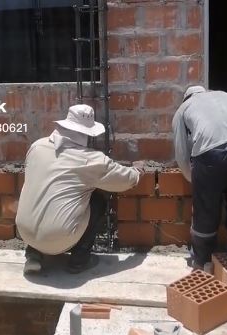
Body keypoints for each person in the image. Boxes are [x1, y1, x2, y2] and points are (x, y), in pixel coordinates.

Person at [16, 104, 139, 274]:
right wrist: (139, 172)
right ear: (87, 133)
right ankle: (79, 260)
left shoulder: (36, 147)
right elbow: (125, 181)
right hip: (58, 238)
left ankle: (33, 255)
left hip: (24, 231)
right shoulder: (90, 159)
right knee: (97, 200)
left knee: (42, 193)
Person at [172, 86, 227, 268]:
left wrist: (194, 179)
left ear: (186, 97)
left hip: (210, 156)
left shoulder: (184, 108)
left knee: (206, 210)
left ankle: (203, 259)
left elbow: (181, 152)